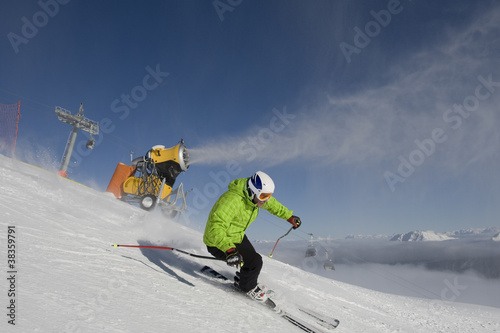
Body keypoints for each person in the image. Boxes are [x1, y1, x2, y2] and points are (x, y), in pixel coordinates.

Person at [203, 171, 301, 302]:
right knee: (255, 261)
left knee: (251, 260)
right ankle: (247, 287)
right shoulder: (231, 200)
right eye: (264, 196)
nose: (266, 200)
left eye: (269, 196)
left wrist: (289, 217)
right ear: (252, 191)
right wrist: (229, 249)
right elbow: (215, 228)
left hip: (236, 236)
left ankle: (244, 279)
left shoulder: (255, 198)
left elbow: (273, 205)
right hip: (218, 242)